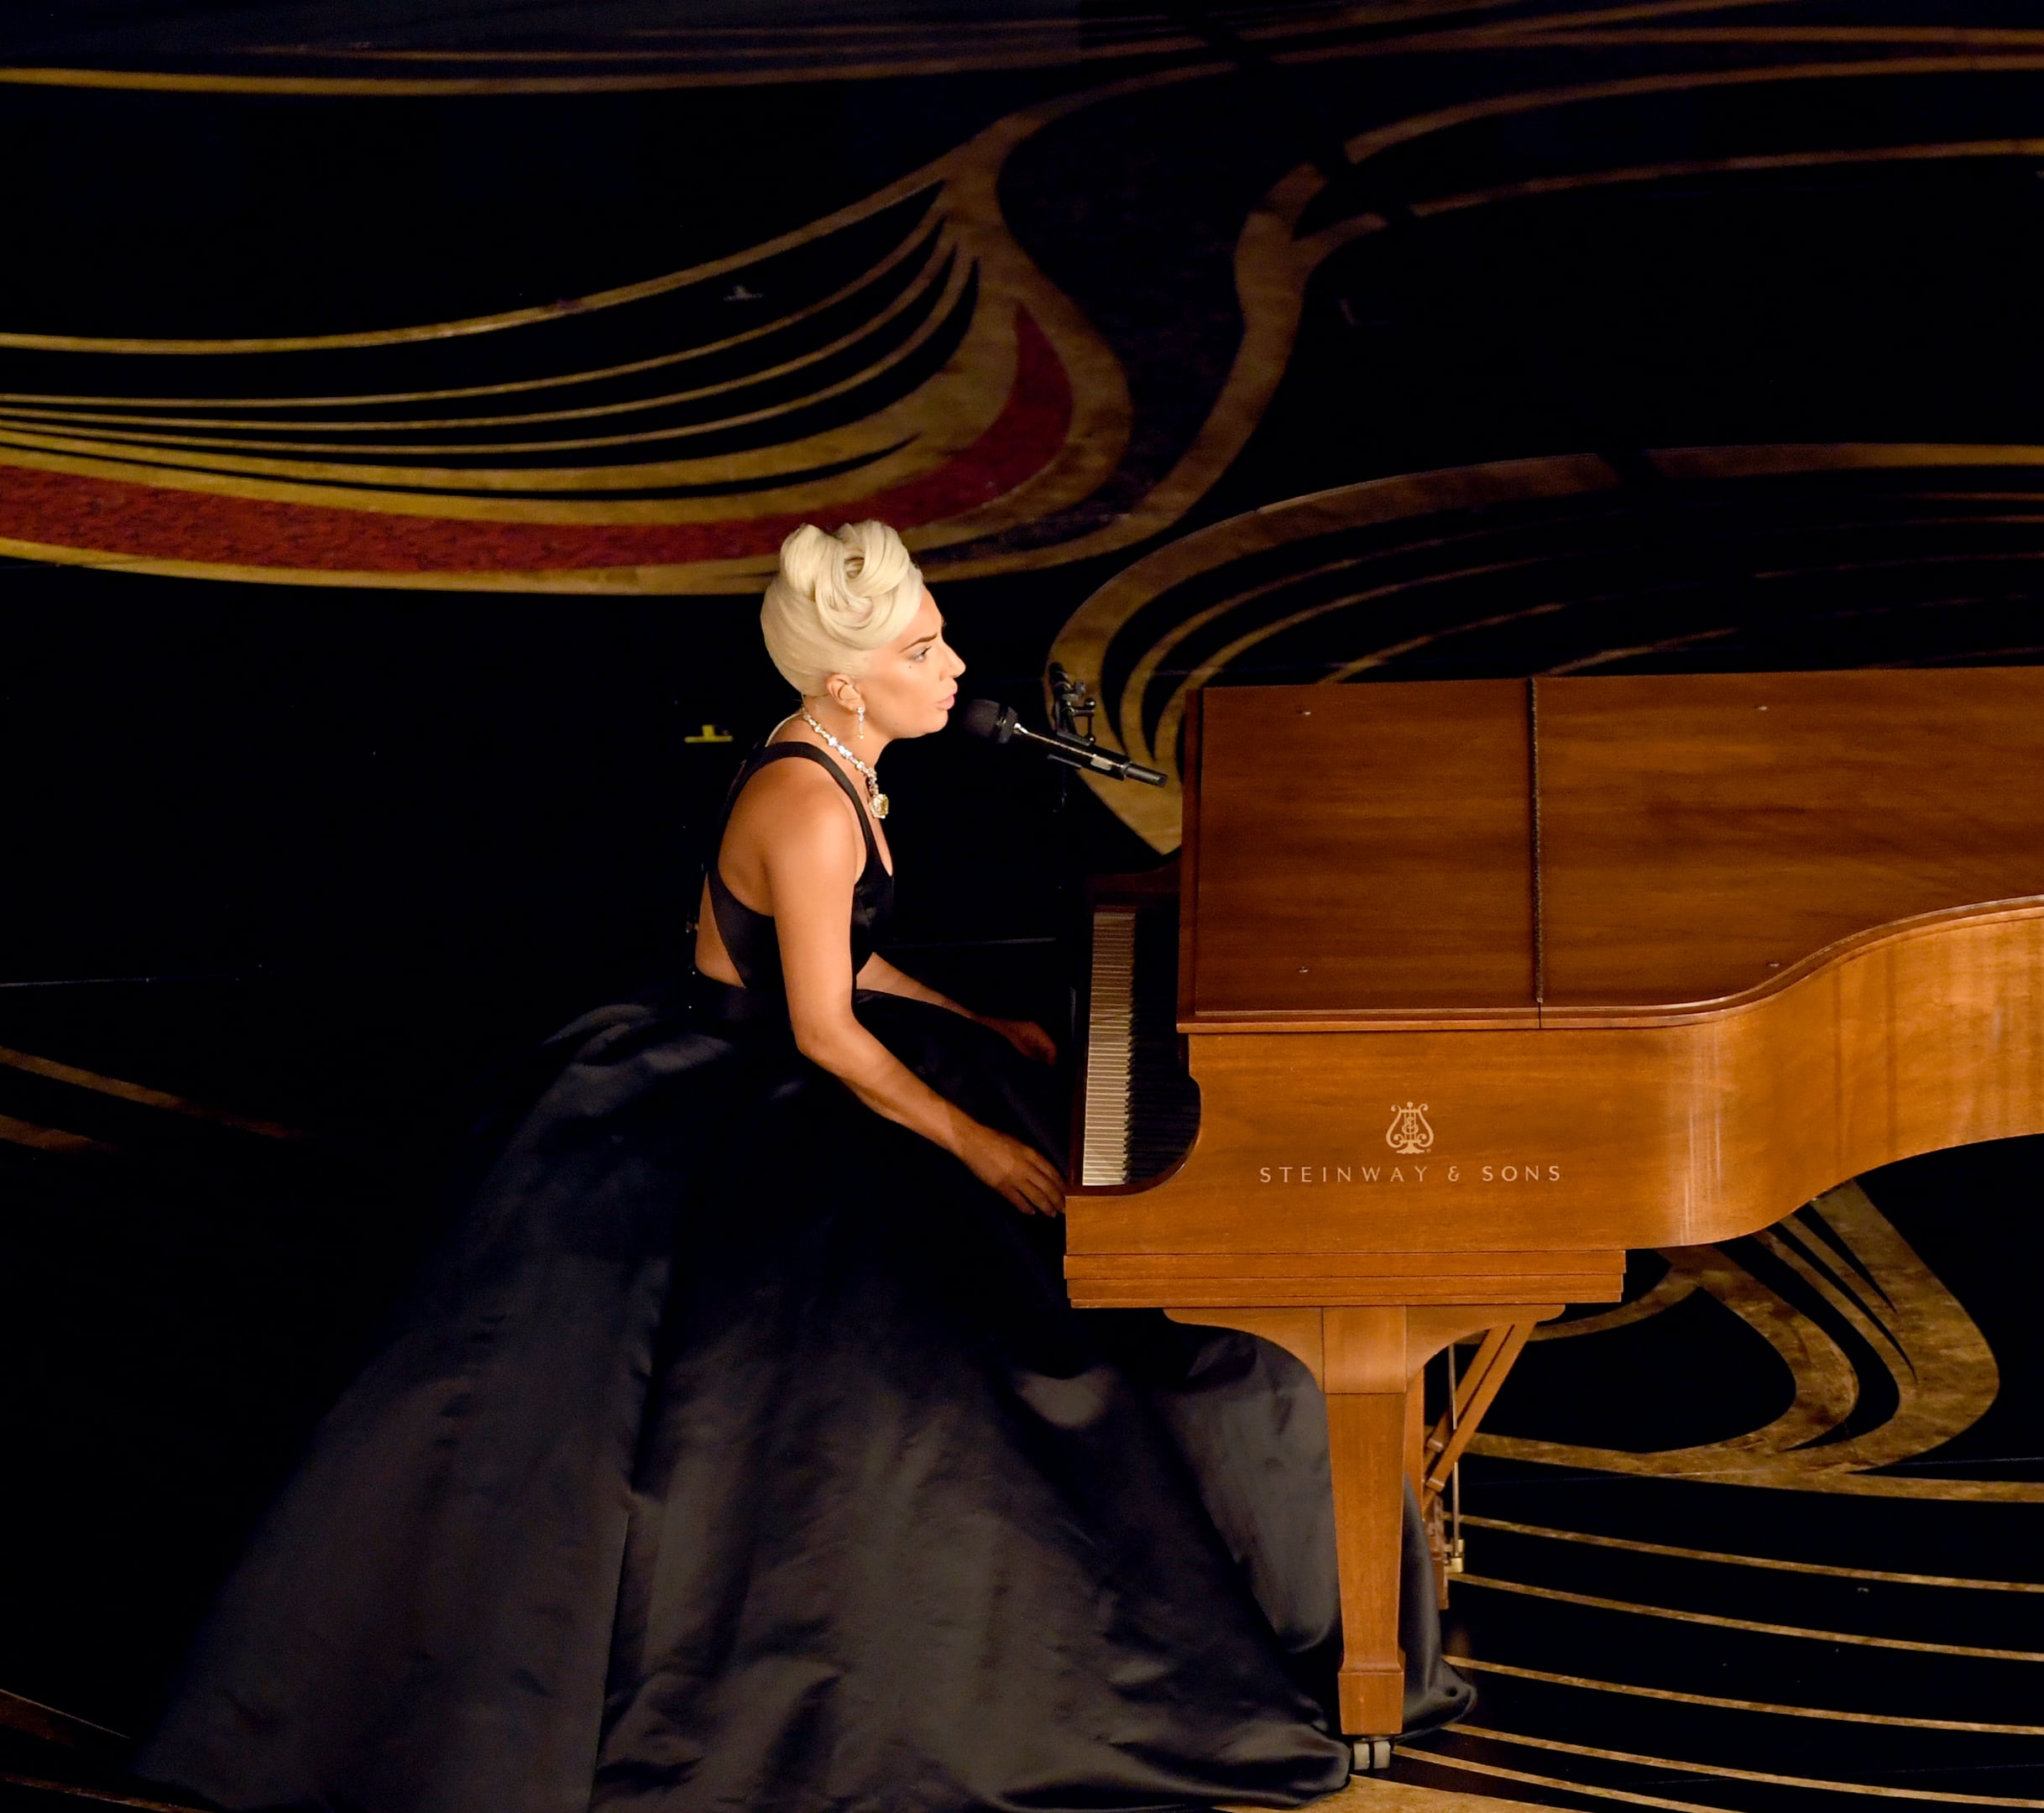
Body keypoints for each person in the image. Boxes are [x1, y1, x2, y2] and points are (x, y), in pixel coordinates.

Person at [139, 521, 1468, 1813]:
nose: (954, 668)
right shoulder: (811, 802)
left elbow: (836, 956)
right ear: (848, 682)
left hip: (810, 1043)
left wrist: (959, 1019)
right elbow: (822, 1027)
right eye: (925, 650)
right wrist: (979, 1140)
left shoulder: (845, 759)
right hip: (754, 1090)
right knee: (961, 1331)